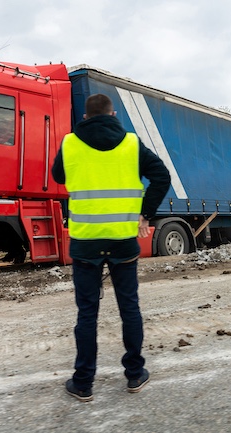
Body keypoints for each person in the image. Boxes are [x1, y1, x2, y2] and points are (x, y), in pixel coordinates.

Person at [51, 93, 171, 402]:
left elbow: (58, 176)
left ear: (87, 117)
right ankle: (134, 375)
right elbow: (161, 175)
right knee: (129, 308)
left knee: (87, 314)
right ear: (113, 113)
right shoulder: (132, 144)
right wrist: (146, 213)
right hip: (122, 240)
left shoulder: (69, 143)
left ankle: (83, 383)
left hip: (85, 243)